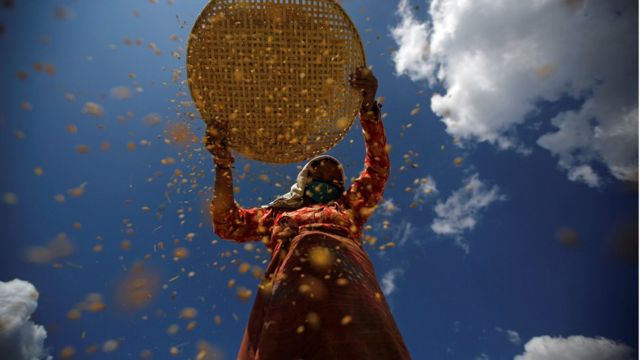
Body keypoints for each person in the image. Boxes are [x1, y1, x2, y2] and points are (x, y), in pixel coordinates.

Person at [206, 67, 410, 360]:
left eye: (332, 180)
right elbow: (227, 223)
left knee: (363, 341)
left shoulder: (349, 207)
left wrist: (367, 107)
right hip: (286, 283)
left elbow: (377, 167)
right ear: (303, 182)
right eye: (319, 177)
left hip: (346, 275)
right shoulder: (275, 215)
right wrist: (223, 165)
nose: (326, 183)